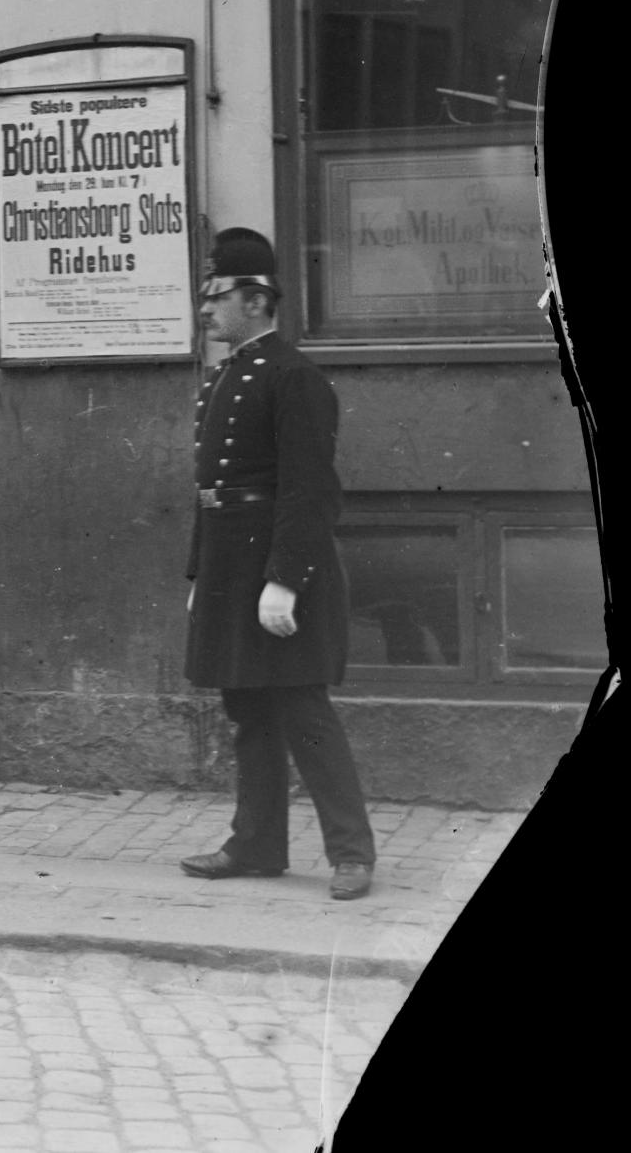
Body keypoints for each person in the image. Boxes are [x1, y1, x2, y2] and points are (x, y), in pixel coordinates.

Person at [180, 228, 378, 901]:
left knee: (303, 711)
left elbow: (309, 490)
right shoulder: (224, 377)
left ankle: (352, 853)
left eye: (217, 297)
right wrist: (201, 575)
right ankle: (257, 844)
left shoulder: (295, 377)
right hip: (231, 567)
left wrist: (285, 581)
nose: (206, 309)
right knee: (249, 711)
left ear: (258, 299)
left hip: (279, 570)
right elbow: (212, 491)